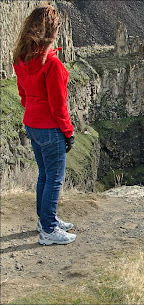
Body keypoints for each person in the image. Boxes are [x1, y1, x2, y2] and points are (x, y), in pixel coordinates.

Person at [13, 4, 76, 245]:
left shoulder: (22, 58)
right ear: (51, 31)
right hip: (50, 128)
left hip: (32, 124)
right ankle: (49, 230)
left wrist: (33, 113)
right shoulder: (51, 65)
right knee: (55, 179)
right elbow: (58, 106)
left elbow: (23, 94)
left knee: (44, 175)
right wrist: (68, 133)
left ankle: (45, 220)